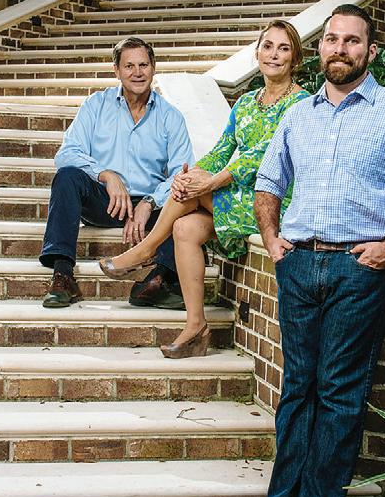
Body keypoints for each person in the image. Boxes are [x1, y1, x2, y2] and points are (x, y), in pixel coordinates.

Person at [243, 4, 385, 497]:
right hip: (299, 265)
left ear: (370, 51)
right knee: (297, 388)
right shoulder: (299, 114)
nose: (340, 48)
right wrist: (272, 238)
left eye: (352, 41)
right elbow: (268, 180)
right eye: (332, 39)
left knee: (337, 392)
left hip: (358, 271)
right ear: (321, 47)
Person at [99, 20, 310, 358]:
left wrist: (211, 182)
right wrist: (192, 173)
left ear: (295, 57)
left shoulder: (301, 104)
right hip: (238, 197)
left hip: (274, 204)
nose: (273, 54)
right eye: (268, 46)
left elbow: (265, 156)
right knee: (184, 227)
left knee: (193, 192)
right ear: (257, 52)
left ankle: (146, 250)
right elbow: (221, 150)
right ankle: (196, 327)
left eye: (283, 48)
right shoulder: (245, 103)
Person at [39, 36, 193, 309]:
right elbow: (66, 153)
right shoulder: (96, 105)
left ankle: (157, 282)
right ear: (117, 70)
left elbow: (181, 171)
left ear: (153, 67)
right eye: (129, 66)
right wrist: (106, 175)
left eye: (143, 65)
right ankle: (63, 274)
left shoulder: (171, 116)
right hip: (105, 202)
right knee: (67, 177)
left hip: (150, 210)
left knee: (185, 199)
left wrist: (150, 202)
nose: (137, 73)